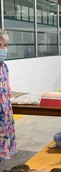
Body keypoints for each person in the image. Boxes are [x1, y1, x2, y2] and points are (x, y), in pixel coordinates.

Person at [0, 29, 17, 162]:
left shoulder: (4, 67)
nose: (4, 49)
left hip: (4, 109)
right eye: (0, 46)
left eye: (5, 45)